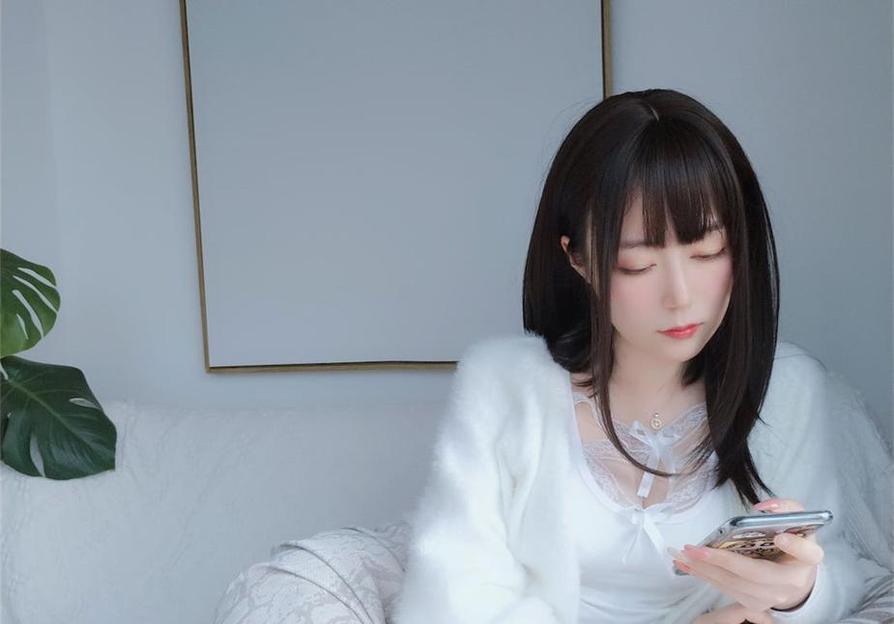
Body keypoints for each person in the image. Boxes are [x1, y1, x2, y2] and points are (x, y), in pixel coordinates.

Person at [391, 89, 891, 623]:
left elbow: (838, 574)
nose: (680, 295)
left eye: (707, 253)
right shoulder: (504, 388)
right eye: (637, 265)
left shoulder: (786, 388)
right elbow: (451, 600)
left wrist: (798, 592)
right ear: (578, 260)